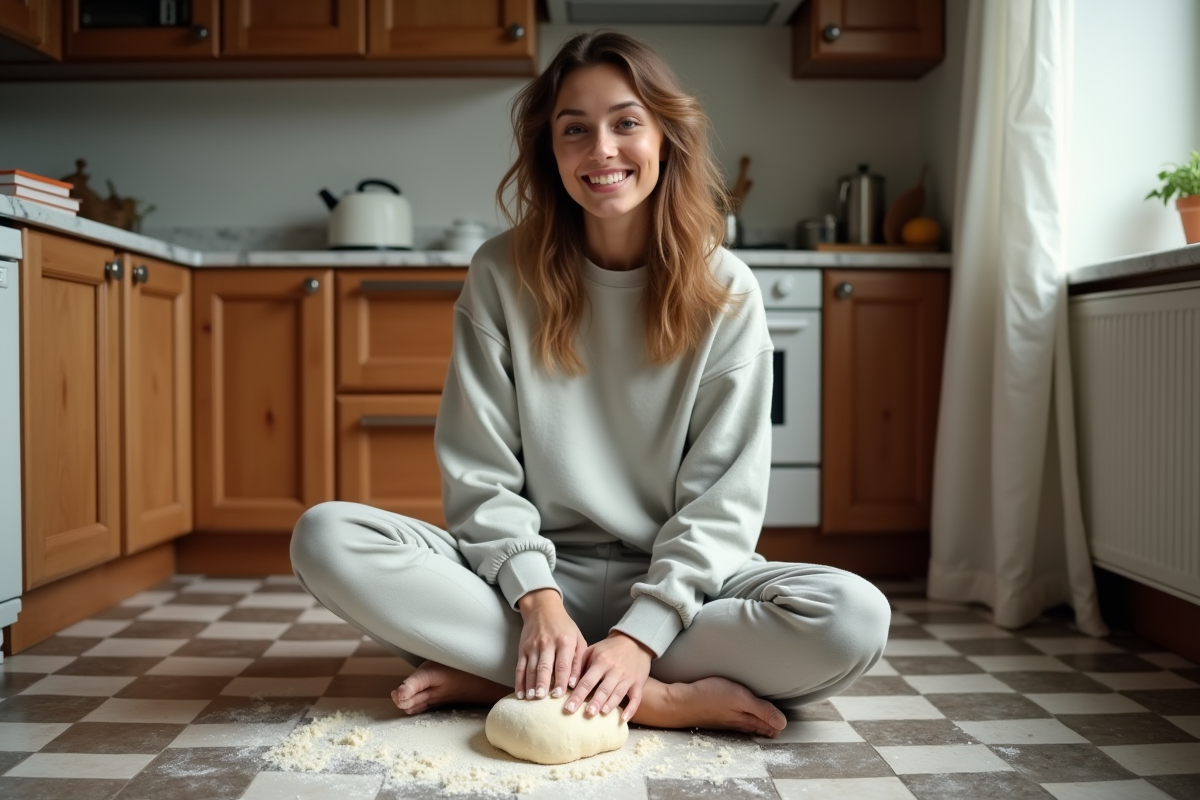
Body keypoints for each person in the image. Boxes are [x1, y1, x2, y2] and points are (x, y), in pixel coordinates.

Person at [290, 30, 890, 738]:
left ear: (665, 138)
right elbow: (480, 475)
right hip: (526, 585)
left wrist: (642, 633)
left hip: (681, 592)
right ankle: (656, 699)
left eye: (626, 122)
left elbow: (721, 505)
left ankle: (512, 678)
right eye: (575, 130)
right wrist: (539, 602)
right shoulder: (500, 274)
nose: (602, 149)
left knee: (852, 619)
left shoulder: (726, 287)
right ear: (551, 150)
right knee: (325, 537)